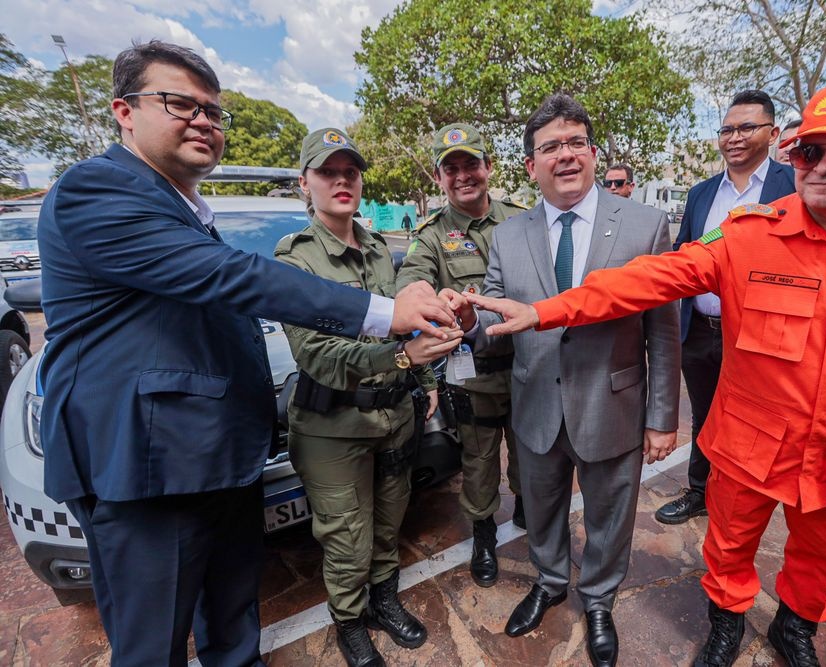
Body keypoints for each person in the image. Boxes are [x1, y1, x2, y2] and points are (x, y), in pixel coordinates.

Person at [465, 76, 826, 667]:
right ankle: (725, 627)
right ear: (794, 149)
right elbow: (649, 282)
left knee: (820, 557)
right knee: (730, 548)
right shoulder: (748, 233)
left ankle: (795, 629)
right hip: (748, 444)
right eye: (811, 150)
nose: (824, 166)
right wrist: (542, 311)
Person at [36, 41, 453, 666]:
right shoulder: (95, 190)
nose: (203, 120)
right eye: (180, 103)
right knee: (153, 642)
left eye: (213, 110)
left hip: (226, 455)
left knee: (234, 620)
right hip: (152, 468)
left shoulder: (192, 211)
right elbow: (234, 280)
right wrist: (388, 320)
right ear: (124, 111)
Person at [444, 94, 681, 667]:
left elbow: (664, 332)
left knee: (609, 515)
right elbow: (495, 322)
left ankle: (598, 599)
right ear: (531, 165)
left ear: (595, 154)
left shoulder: (646, 226)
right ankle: (550, 581)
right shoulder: (509, 233)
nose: (565, 155)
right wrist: (471, 323)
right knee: (542, 508)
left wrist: (661, 418)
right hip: (535, 404)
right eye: (550, 146)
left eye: (576, 142)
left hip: (613, 404)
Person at [274, 128, 462, 667]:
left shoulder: (380, 247)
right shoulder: (296, 261)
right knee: (346, 537)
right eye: (327, 172)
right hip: (333, 428)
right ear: (305, 183)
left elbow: (405, 328)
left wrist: (423, 382)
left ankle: (384, 599)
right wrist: (405, 360)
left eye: (350, 172)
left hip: (394, 417)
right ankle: (350, 622)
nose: (341, 181)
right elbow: (320, 357)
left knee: (388, 520)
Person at [396, 123, 529, 589]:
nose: (462, 175)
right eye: (450, 169)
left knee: (534, 453)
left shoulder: (522, 218)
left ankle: (531, 513)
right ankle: (484, 533)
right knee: (478, 462)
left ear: (488, 167)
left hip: (531, 367)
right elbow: (411, 280)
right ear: (439, 179)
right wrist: (427, 299)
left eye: (470, 164)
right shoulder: (433, 235)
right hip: (474, 375)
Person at [655, 90, 794, 527]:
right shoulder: (701, 194)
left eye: (747, 128)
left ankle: (742, 503)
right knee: (705, 413)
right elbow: (683, 255)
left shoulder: (792, 188)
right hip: (698, 328)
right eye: (727, 129)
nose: (734, 137)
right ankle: (699, 491)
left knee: (754, 419)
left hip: (758, 331)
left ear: (772, 134)